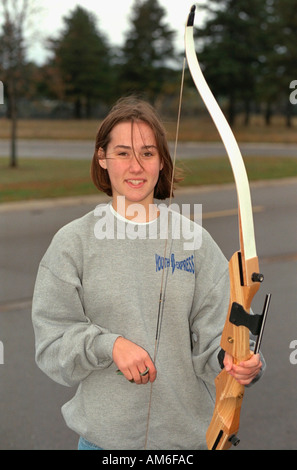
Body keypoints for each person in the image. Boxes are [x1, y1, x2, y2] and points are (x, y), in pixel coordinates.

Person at [32, 97, 264, 450]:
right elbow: (52, 344)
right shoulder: (72, 242)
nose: (136, 166)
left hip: (186, 442)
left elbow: (217, 339)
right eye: (123, 153)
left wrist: (235, 362)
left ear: (161, 162)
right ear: (102, 158)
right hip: (104, 442)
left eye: (148, 153)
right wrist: (109, 345)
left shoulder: (195, 242)